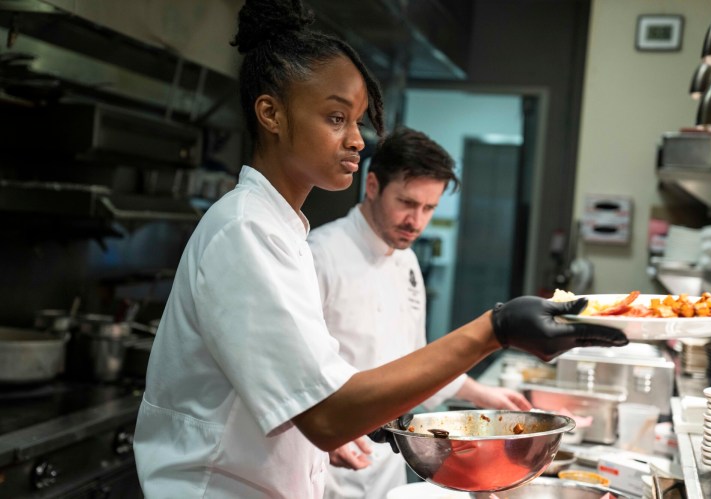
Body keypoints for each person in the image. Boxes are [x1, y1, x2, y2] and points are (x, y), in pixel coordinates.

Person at [132, 1, 628, 497]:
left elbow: (313, 391)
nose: (356, 139)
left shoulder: (282, 232)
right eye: (335, 118)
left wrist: (352, 424)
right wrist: (494, 328)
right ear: (271, 114)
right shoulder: (245, 232)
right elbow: (326, 413)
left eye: (357, 121)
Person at [308, 127, 533, 498]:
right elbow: (295, 374)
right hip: (328, 465)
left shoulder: (407, 260)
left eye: (429, 208)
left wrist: (480, 394)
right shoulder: (320, 254)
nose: (417, 221)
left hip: (388, 463)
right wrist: (322, 436)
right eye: (407, 203)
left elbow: (415, 360)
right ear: (373, 185)